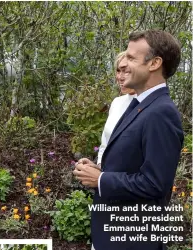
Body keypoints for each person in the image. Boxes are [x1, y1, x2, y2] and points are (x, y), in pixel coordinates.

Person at [73, 30, 184, 250]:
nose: (125, 62)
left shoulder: (161, 112)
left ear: (154, 63)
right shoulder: (139, 105)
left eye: (132, 58)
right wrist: (99, 169)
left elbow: (155, 184)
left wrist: (101, 179)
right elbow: (132, 162)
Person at [96, 52, 137, 166]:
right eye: (118, 71)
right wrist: (99, 167)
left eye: (126, 72)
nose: (120, 77)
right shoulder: (117, 102)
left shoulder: (147, 105)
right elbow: (105, 142)